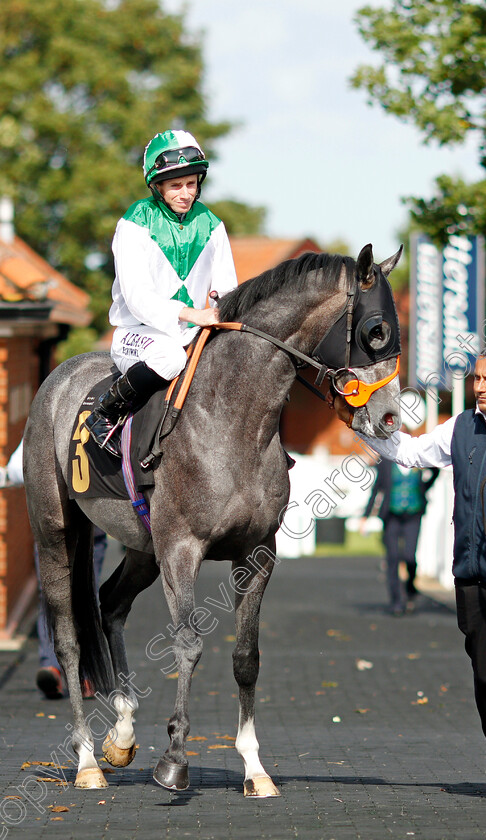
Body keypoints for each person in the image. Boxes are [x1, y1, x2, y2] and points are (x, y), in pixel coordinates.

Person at [330, 341, 486, 809]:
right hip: (471, 572)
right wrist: (358, 423)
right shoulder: (462, 427)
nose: (479, 387)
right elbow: (411, 451)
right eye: (477, 378)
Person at [85, 129, 238, 456]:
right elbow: (138, 297)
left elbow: (227, 289)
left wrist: (222, 308)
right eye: (175, 185)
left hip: (195, 334)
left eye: (192, 183)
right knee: (169, 358)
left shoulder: (212, 224)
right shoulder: (134, 222)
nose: (185, 193)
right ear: (157, 186)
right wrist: (191, 314)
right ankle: (105, 412)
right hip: (138, 333)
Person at [1, 441, 107, 699]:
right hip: (91, 520)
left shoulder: (46, 417)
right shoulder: (98, 416)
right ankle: (85, 675)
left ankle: (51, 665)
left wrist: (5, 476)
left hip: (50, 523)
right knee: (86, 593)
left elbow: (17, 470)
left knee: (50, 596)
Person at [362, 445, 438, 615]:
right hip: (391, 516)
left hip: (413, 514)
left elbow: (435, 470)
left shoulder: (418, 460)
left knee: (410, 556)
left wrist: (425, 487)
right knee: (393, 557)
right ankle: (397, 600)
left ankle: (410, 587)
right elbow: (377, 488)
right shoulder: (386, 462)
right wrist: (365, 516)